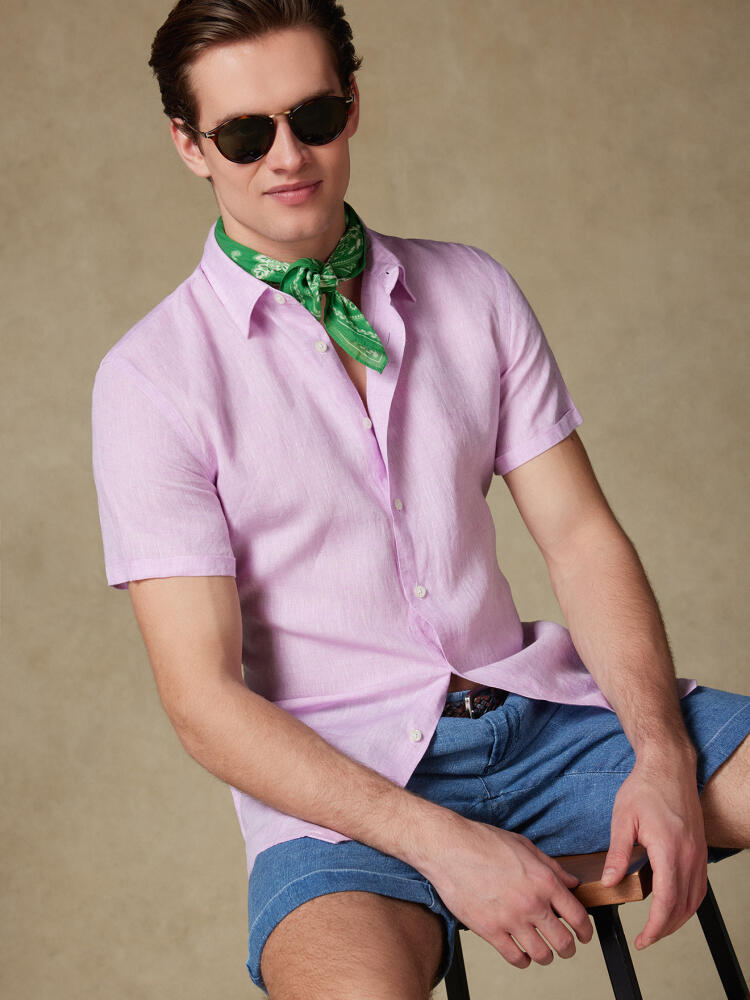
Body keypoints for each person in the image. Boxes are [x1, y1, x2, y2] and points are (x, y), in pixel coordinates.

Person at [90, 1, 749, 996]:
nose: (288, 156)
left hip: (548, 723)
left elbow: (579, 537)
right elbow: (203, 700)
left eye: (314, 117)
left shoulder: (472, 291)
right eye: (244, 134)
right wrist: (441, 843)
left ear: (352, 105)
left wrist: (659, 757)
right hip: (342, 798)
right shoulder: (151, 380)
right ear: (190, 145)